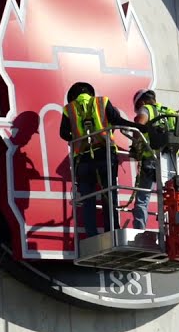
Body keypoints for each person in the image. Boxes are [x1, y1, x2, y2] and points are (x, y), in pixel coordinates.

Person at [58, 81, 144, 238]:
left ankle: (91, 235)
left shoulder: (68, 109)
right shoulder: (102, 102)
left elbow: (63, 134)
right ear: (90, 93)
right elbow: (118, 121)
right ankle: (111, 233)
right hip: (104, 156)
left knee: (88, 200)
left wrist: (78, 138)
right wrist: (141, 128)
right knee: (109, 195)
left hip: (82, 160)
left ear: (73, 96)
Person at [129, 89, 179, 230]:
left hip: (150, 159)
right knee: (171, 197)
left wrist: (135, 148)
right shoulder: (169, 111)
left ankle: (140, 230)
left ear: (142, 102)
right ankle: (174, 228)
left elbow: (140, 123)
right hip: (169, 163)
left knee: (143, 199)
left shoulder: (146, 109)